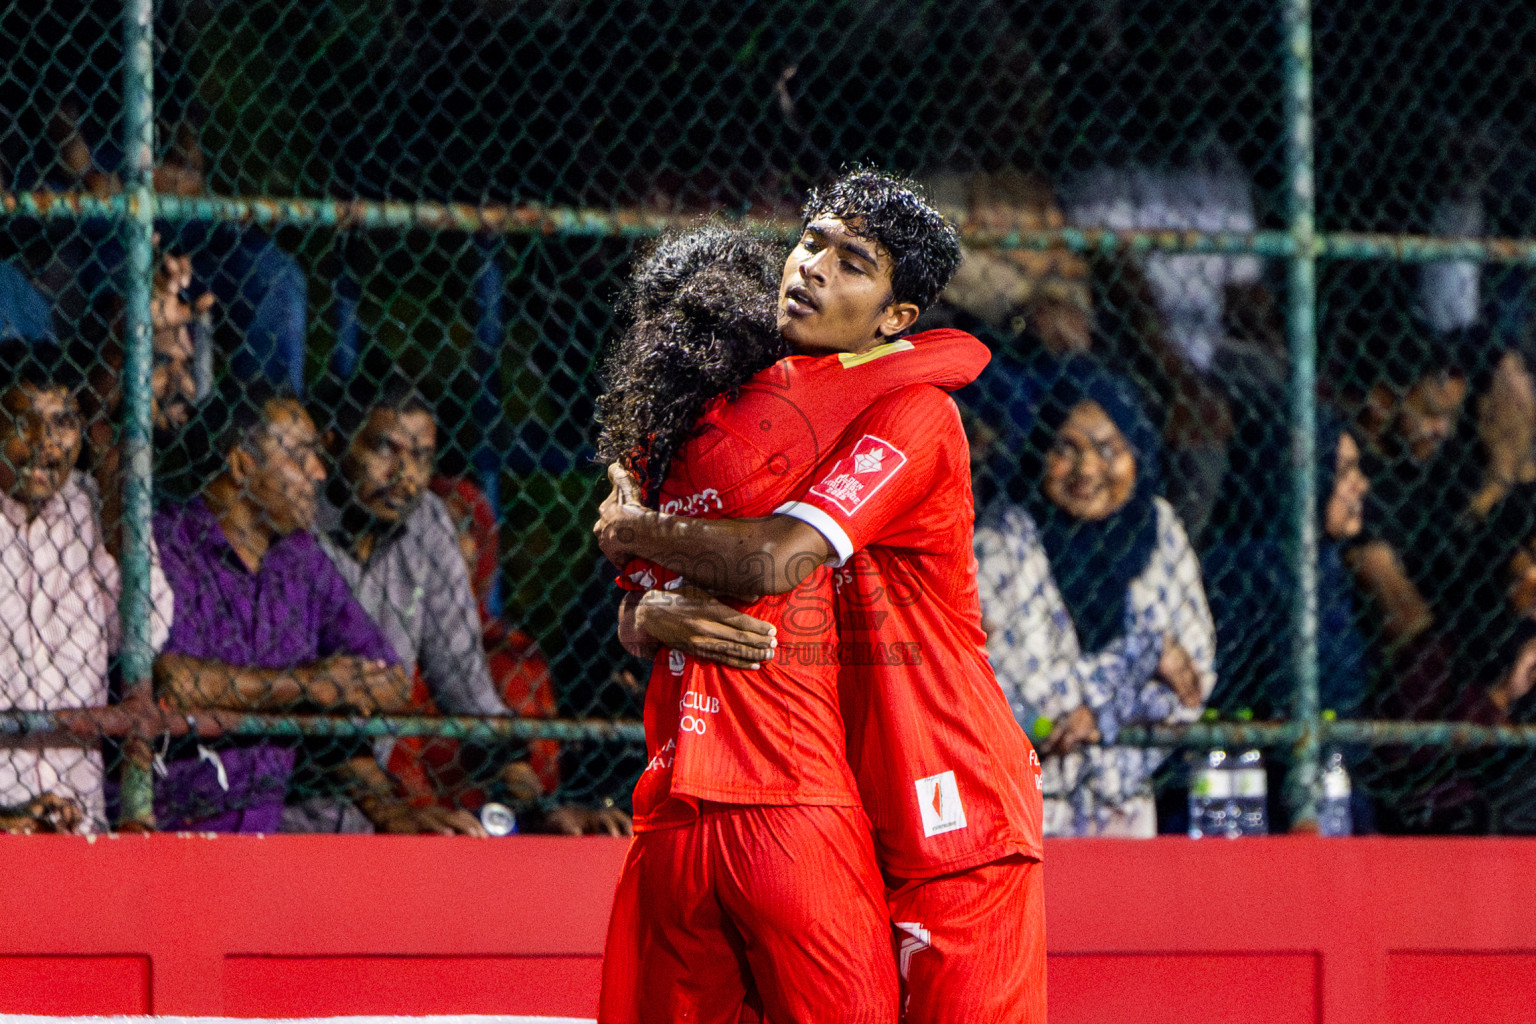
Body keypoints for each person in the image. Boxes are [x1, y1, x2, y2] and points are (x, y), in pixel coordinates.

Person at [597, 172, 1045, 1024]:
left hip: (951, 808)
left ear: (896, 320)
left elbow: (772, 560)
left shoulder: (916, 413)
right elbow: (694, 575)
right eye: (811, 242)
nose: (811, 268)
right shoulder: (771, 417)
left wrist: (629, 529)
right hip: (836, 811)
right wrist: (645, 615)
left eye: (851, 264)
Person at [311, 369, 627, 835]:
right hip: (288, 783)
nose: (404, 475)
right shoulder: (301, 523)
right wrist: (390, 812)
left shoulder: (426, 522)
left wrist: (539, 807)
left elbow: (468, 691)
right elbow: (312, 704)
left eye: (420, 457)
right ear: (335, 443)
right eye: (384, 449)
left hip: (361, 792)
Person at [151, 382, 420, 832]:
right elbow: (175, 682)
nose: (319, 472)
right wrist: (306, 686)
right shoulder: (170, 544)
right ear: (241, 464)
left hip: (262, 831)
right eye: (300, 455)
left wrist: (317, 689)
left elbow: (390, 679)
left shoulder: (301, 558)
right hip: (167, 828)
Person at [974, 359, 1215, 837]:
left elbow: (1193, 682)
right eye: (1067, 447)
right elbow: (1025, 693)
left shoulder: (1159, 529)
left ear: (1138, 452)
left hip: (1128, 805)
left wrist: (1096, 711)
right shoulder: (1001, 540)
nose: (1087, 469)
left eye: (1108, 449)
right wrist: (1143, 658)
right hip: (1027, 805)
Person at [0, 340, 173, 833]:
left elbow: (149, 628)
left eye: (62, 423)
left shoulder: (91, 508)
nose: (43, 443)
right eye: (22, 420)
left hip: (79, 820)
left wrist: (115, 480)